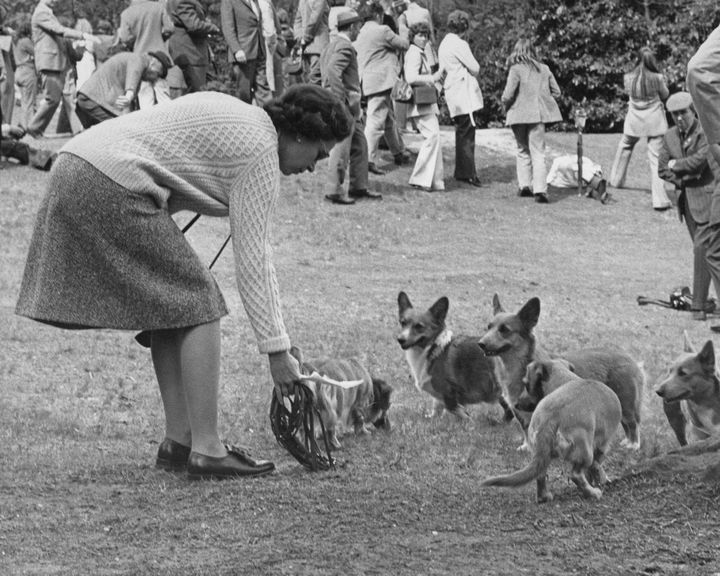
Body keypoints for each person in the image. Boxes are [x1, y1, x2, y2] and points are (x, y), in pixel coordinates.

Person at [15, 84, 352, 480]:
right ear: (299, 134)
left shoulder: (243, 117)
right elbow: (255, 260)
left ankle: (179, 442)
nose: (315, 166)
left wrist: (278, 341)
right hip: (107, 180)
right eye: (318, 153)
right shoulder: (261, 151)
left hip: (77, 162)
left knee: (173, 303)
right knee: (200, 302)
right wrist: (277, 352)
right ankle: (207, 449)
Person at [658, 91, 716, 321]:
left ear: (694, 111)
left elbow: (700, 163)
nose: (679, 118)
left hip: (708, 199)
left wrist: (677, 165)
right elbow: (662, 169)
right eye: (674, 115)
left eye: (683, 113)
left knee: (702, 250)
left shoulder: (705, 132)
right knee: (707, 253)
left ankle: (699, 307)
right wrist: (682, 174)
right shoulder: (670, 136)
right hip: (687, 203)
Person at [321, 9, 378, 205]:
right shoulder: (345, 47)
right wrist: (339, 100)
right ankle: (334, 190)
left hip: (347, 105)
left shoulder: (331, 45)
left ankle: (359, 186)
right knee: (342, 147)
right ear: (352, 27)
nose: (359, 30)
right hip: (345, 104)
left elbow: (319, 73)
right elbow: (333, 70)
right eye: (358, 27)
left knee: (360, 144)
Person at [25, 0, 99, 138]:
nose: (55, 0)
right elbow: (58, 30)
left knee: (61, 98)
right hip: (49, 61)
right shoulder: (41, 12)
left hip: (56, 61)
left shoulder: (47, 12)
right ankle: (33, 128)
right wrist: (82, 35)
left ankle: (76, 130)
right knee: (52, 99)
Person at [501, 38, 562, 204]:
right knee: (538, 152)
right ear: (533, 51)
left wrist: (505, 105)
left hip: (518, 115)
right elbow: (557, 92)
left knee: (522, 150)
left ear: (517, 51)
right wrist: (544, 100)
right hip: (538, 115)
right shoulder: (544, 69)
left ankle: (525, 186)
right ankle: (540, 190)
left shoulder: (515, 69)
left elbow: (508, 94)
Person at [609, 47, 671, 211]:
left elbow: (627, 93)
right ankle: (659, 200)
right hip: (654, 121)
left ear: (637, 59)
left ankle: (615, 180)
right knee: (656, 159)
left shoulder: (627, 77)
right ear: (652, 61)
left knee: (624, 147)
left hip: (634, 120)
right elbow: (665, 95)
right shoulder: (658, 78)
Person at [355, 0, 409, 175]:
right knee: (375, 122)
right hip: (381, 82)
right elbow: (404, 44)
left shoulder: (361, 33)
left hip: (368, 81)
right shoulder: (383, 30)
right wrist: (402, 25)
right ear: (378, 15)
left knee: (388, 120)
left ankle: (398, 153)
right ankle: (368, 160)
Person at [437, 9, 483, 187]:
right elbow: (475, 67)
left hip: (452, 91)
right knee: (467, 133)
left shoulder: (444, 43)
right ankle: (468, 173)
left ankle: (462, 171)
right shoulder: (460, 44)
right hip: (463, 93)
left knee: (461, 131)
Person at [75, 50, 172, 128]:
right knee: (123, 127)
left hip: (92, 97)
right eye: (158, 74)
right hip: (94, 98)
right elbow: (134, 72)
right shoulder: (139, 59)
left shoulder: (136, 64)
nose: (154, 79)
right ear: (154, 63)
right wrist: (129, 94)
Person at [404, 22, 444, 191]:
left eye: (426, 35)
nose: (423, 38)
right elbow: (411, 77)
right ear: (413, 37)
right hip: (419, 103)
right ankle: (420, 178)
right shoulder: (414, 53)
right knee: (433, 136)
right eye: (420, 35)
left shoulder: (420, 53)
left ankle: (436, 181)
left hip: (425, 102)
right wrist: (433, 78)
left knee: (435, 138)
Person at [118, 0, 175, 108]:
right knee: (164, 99)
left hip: (140, 59)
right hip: (158, 57)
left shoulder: (126, 14)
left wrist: (136, 40)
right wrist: (161, 38)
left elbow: (125, 38)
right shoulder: (158, 7)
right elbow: (169, 28)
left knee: (146, 103)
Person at [220, 0, 271, 105]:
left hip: (259, 50)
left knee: (264, 91)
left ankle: (269, 119)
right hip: (243, 54)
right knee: (244, 94)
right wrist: (237, 49)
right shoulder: (229, 1)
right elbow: (228, 28)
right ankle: (244, 119)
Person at [166, 0, 220, 93]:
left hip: (190, 50)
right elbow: (194, 25)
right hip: (190, 52)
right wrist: (214, 27)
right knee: (196, 93)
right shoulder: (183, 1)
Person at [293, 0, 330, 85]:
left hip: (309, 47)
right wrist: (303, 39)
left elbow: (300, 21)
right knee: (314, 78)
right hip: (317, 46)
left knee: (312, 78)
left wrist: (301, 39)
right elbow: (313, 20)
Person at [13, 17, 37, 128]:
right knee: (30, 102)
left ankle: (23, 124)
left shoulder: (17, 41)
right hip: (27, 72)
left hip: (18, 72)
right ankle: (31, 127)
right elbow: (37, 53)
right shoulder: (26, 41)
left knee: (24, 102)